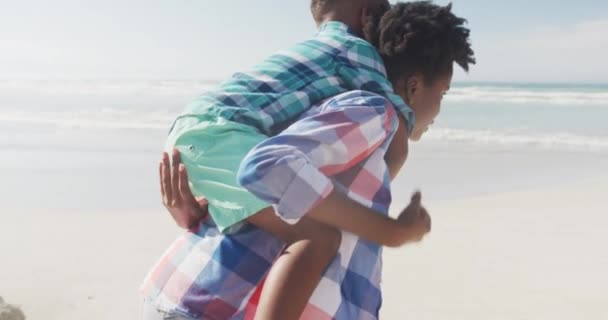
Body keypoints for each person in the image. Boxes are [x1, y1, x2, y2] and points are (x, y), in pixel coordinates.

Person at [142, 1, 475, 319]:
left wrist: (202, 210)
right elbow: (269, 166)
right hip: (221, 142)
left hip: (205, 143)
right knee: (318, 238)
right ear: (413, 85)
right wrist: (393, 231)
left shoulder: (321, 98)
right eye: (443, 92)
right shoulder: (367, 90)